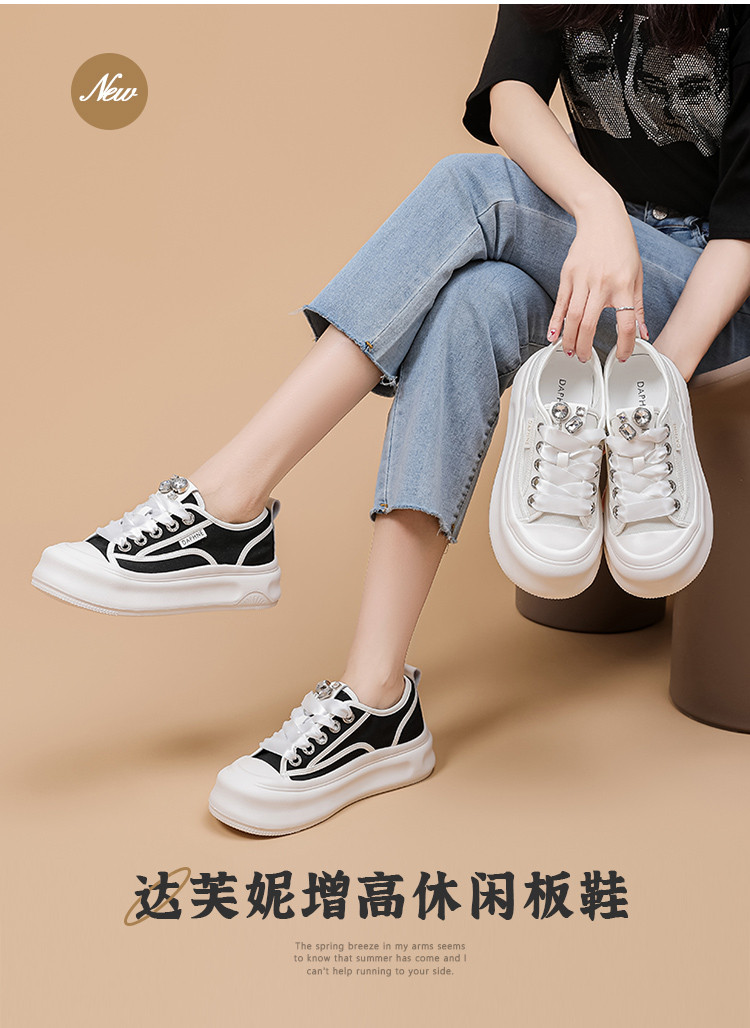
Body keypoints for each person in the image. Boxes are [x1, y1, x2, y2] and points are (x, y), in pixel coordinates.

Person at [31, 5, 750, 835]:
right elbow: (509, 93)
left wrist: (652, 380)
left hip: (716, 293)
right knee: (473, 301)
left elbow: (744, 231)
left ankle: (229, 502)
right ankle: (376, 701)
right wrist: (597, 212)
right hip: (591, 252)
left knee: (471, 189)